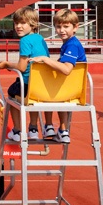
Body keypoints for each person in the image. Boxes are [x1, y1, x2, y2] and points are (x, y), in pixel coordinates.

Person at [30, 8, 86, 144]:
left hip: (69, 91)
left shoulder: (72, 45)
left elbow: (67, 70)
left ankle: (45, 126)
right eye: (58, 26)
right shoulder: (68, 44)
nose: (62, 30)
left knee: (42, 88)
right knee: (53, 88)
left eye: (66, 26)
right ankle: (61, 131)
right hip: (67, 91)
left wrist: (44, 58)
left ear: (75, 27)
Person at [0, 7, 49, 142]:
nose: (18, 26)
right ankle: (33, 129)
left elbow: (22, 67)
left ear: (32, 24)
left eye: (22, 23)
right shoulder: (40, 38)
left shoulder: (24, 41)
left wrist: (7, 65)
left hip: (27, 83)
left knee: (11, 93)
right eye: (16, 23)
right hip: (41, 85)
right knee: (33, 99)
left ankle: (18, 131)